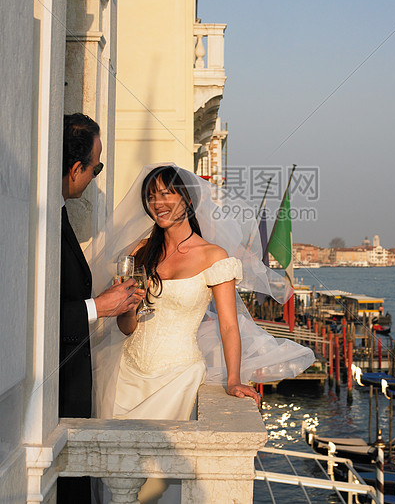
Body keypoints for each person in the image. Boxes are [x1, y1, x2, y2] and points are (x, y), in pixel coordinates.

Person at [88, 164, 314, 503]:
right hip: (125, 375)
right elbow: (126, 326)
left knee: (153, 484)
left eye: (167, 193)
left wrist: (234, 379)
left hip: (177, 377)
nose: (158, 203)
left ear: (188, 201)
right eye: (151, 196)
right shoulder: (139, 252)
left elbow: (228, 324)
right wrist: (130, 302)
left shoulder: (214, 256)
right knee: (118, 477)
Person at [59, 113, 143, 503]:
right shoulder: (38, 218)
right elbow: (38, 320)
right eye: (97, 167)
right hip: (55, 402)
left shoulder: (55, 212)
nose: (96, 176)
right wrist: (100, 307)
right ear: (76, 168)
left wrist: (107, 303)